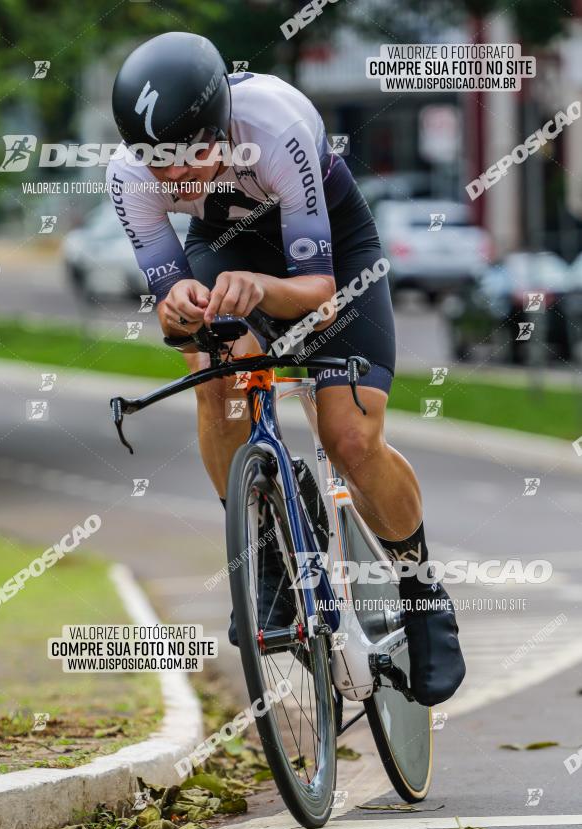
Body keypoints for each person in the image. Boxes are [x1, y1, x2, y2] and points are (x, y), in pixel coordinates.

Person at [108, 31, 465, 706]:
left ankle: (420, 590)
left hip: (331, 254)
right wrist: (182, 306)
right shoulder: (130, 178)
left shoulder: (274, 125)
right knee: (217, 382)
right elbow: (169, 316)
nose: (176, 178)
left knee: (349, 436)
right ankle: (263, 550)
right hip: (222, 244)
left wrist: (261, 289)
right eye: (159, 165)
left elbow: (322, 297)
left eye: (191, 159)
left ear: (224, 131)